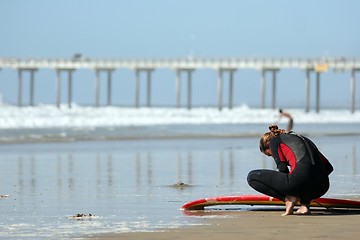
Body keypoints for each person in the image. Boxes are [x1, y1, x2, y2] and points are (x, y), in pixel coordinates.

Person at [247, 125, 333, 216]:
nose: (273, 157)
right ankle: (305, 206)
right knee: (304, 175)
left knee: (252, 177)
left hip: (299, 182)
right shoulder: (304, 139)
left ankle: (288, 199)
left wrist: (292, 189)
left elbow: (283, 169)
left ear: (268, 144)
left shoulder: (274, 142)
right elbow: (328, 168)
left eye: (270, 155)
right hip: (322, 187)